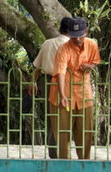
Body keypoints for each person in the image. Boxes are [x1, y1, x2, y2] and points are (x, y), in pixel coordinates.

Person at [49, 17, 100, 159]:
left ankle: (84, 167)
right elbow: (60, 72)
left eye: (80, 36)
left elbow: (95, 61)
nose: (77, 39)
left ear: (86, 32)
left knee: (84, 135)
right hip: (64, 96)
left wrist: (90, 66)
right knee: (63, 136)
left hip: (84, 96)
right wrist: (63, 96)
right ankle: (64, 168)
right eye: (74, 36)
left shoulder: (92, 45)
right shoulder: (63, 49)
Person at [29, 17, 72, 158]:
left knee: (52, 120)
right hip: (68, 84)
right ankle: (63, 154)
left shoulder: (48, 44)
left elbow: (37, 66)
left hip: (49, 83)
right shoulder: (73, 45)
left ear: (60, 29)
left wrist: (33, 82)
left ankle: (54, 154)